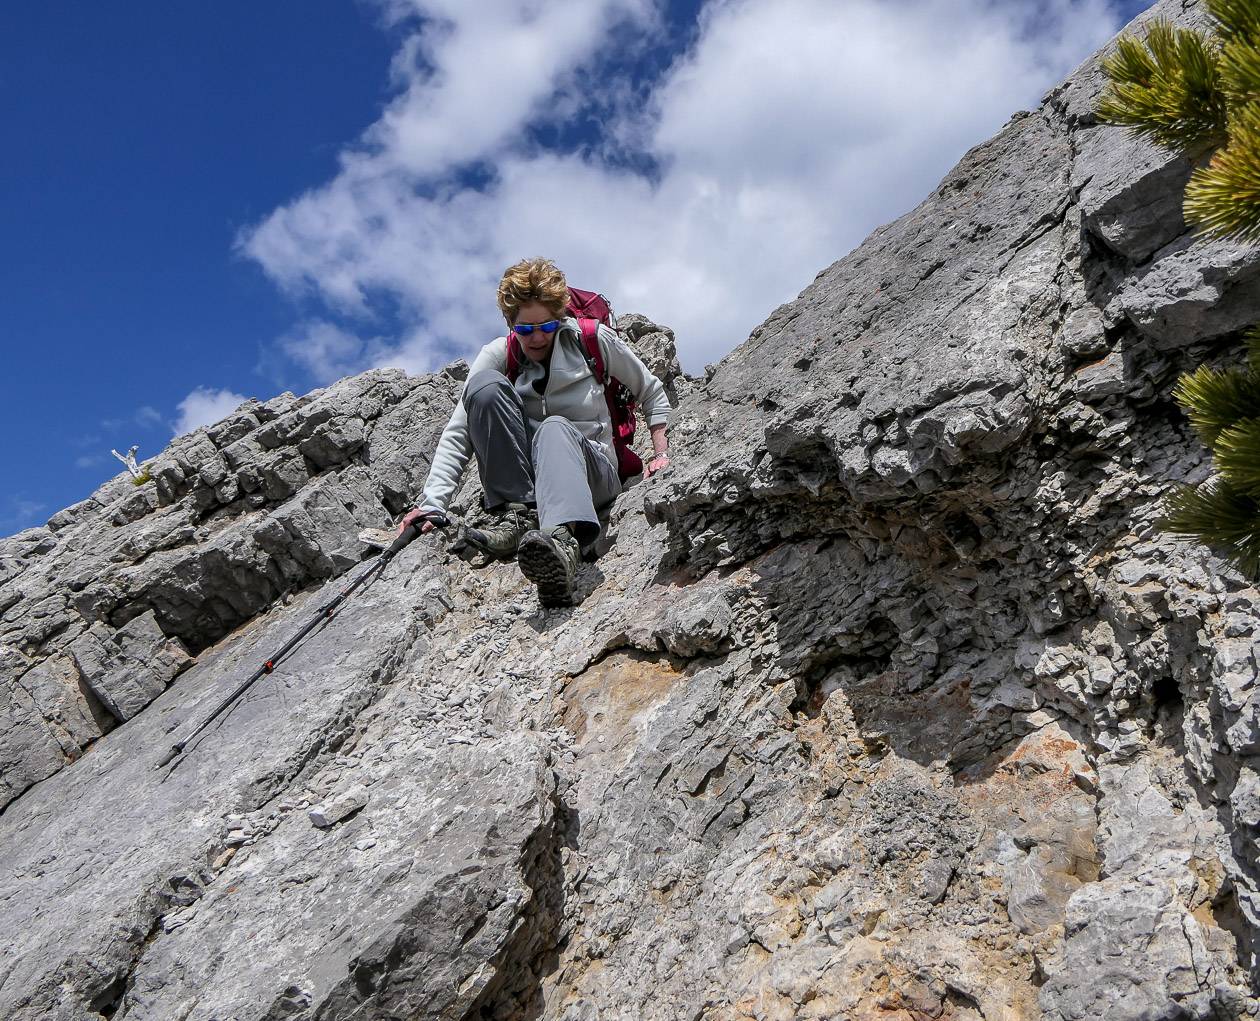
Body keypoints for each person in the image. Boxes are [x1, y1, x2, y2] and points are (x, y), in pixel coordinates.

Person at [399, 257, 672, 606]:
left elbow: (649, 390)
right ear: (510, 324)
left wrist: (660, 454)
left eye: (547, 326)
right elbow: (460, 430)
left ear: (560, 318)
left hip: (593, 476)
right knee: (483, 388)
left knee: (554, 427)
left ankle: (562, 542)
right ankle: (518, 515)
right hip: (535, 485)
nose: (537, 337)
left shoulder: (591, 339)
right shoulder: (500, 353)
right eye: (525, 330)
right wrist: (432, 505)